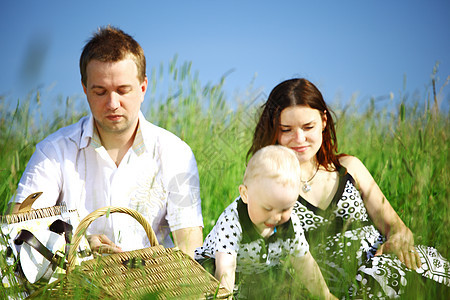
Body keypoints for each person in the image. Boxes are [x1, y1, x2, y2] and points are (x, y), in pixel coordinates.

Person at [8, 26, 203, 258]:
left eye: (123, 90)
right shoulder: (53, 152)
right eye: (100, 91)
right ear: (85, 90)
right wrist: (77, 245)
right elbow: (17, 231)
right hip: (74, 287)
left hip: (152, 286)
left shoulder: (175, 153)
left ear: (143, 88)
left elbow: (189, 246)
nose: (112, 103)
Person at [247, 78, 449, 298]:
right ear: (273, 130)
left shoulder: (349, 167)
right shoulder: (267, 188)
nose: (299, 139)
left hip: (386, 267)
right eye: (286, 129)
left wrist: (399, 240)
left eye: (308, 127)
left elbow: (398, 228)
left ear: (324, 121)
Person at [195, 145, 337, 299]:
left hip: (262, 272)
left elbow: (304, 263)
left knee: (286, 287)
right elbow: (225, 270)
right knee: (206, 282)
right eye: (267, 208)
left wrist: (326, 295)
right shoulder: (233, 220)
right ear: (245, 194)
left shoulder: (290, 223)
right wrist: (225, 296)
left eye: (285, 209)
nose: (276, 217)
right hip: (218, 267)